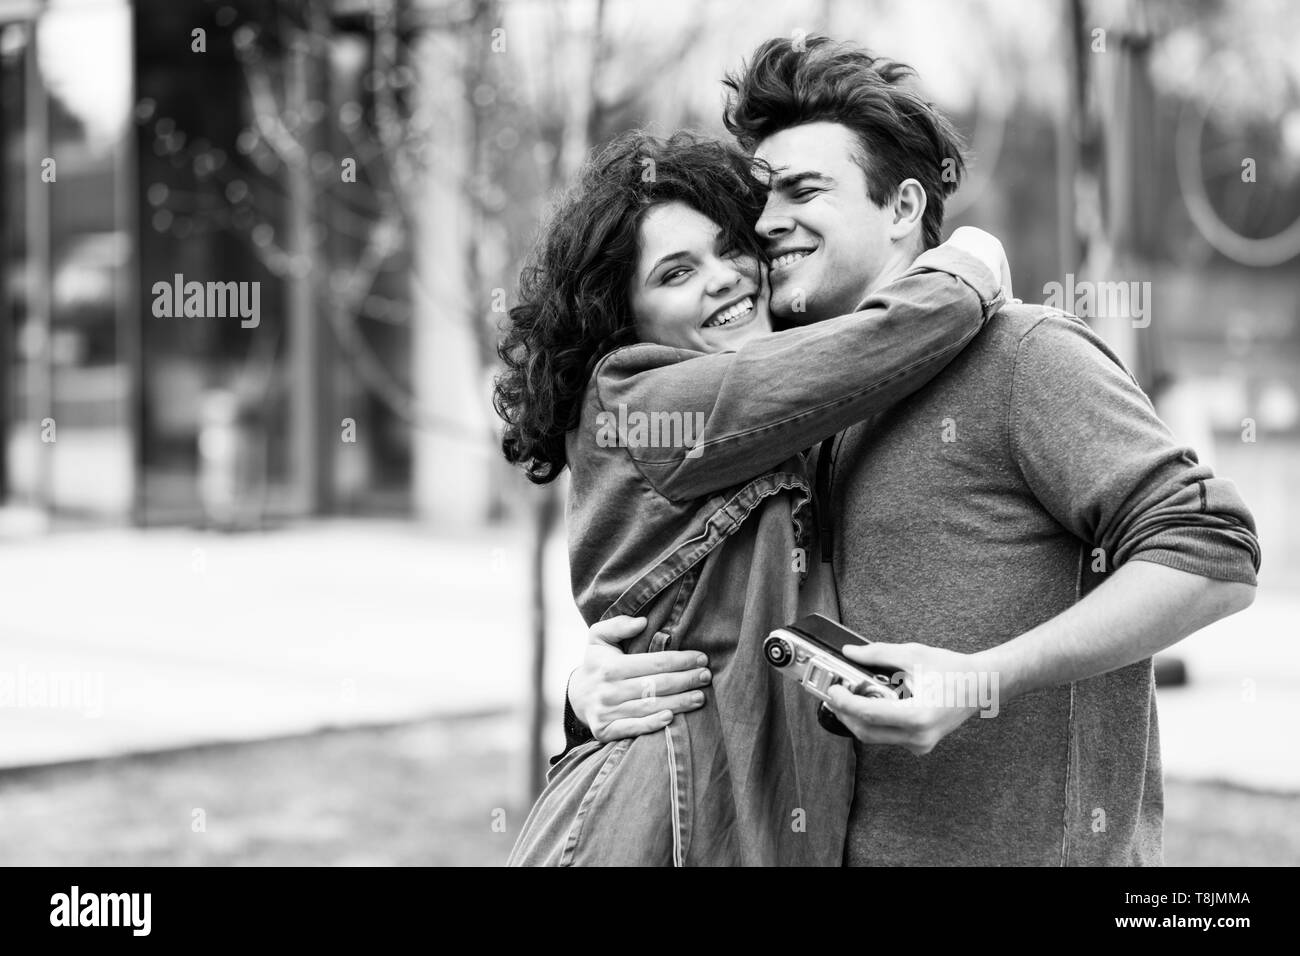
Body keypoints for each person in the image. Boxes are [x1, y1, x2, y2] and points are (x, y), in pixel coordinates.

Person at [562, 36, 1261, 866]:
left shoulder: (1023, 355)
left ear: (901, 207)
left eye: (803, 190)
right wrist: (588, 690)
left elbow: (1213, 552)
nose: (766, 223)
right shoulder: (792, 403)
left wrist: (979, 681)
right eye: (761, 199)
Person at [494, 129, 1008, 865]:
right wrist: (972, 261)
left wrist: (581, 697)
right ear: (628, 320)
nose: (725, 278)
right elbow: (891, 338)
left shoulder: (757, 410)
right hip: (649, 827)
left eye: (730, 248)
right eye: (675, 274)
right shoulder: (641, 402)